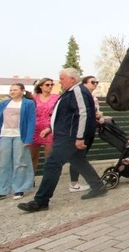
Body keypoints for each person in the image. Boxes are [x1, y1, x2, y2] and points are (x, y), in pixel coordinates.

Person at [17, 68, 107, 213]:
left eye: (62, 78)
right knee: (79, 161)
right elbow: (65, 116)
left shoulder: (78, 91)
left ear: (72, 79)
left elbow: (83, 114)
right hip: (68, 135)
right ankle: (98, 186)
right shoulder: (71, 92)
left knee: (52, 164)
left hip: (70, 137)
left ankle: (41, 201)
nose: (59, 81)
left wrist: (79, 137)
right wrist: (51, 128)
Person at [0, 83, 36, 201]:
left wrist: (28, 138)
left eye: (15, 90)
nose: (12, 92)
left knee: (20, 162)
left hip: (20, 136)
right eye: (11, 90)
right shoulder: (4, 103)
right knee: (1, 163)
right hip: (5, 135)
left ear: (22, 91)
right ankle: (0, 191)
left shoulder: (29, 103)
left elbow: (31, 121)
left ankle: (20, 189)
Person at [69, 75, 103, 192]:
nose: (95, 84)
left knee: (80, 157)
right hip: (81, 131)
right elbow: (82, 114)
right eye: (92, 82)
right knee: (78, 157)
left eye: (96, 82)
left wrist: (100, 115)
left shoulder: (93, 98)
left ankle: (93, 184)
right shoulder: (80, 95)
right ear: (84, 83)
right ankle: (76, 183)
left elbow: (94, 113)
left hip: (90, 130)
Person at [31, 78, 59, 176]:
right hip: (34, 129)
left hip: (49, 129)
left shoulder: (56, 97)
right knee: (32, 156)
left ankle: (48, 179)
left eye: (52, 85)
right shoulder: (34, 97)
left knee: (49, 157)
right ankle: (30, 179)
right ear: (41, 86)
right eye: (47, 85)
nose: (50, 87)